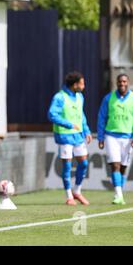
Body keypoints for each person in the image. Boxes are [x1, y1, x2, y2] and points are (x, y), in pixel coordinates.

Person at [97, 74, 133, 205]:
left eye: (124, 81)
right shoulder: (108, 98)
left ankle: (119, 192)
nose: (122, 84)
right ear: (116, 83)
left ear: (128, 82)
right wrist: (101, 137)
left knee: (123, 167)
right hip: (111, 136)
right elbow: (102, 118)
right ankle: (118, 195)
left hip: (128, 138)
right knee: (115, 165)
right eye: (119, 81)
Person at [48, 71, 92, 206]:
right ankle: (69, 196)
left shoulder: (80, 97)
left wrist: (86, 130)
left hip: (78, 135)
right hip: (64, 136)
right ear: (75, 85)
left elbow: (81, 115)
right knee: (67, 166)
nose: (84, 86)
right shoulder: (60, 97)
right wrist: (68, 124)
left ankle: (77, 191)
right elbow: (52, 114)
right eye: (82, 83)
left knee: (84, 163)